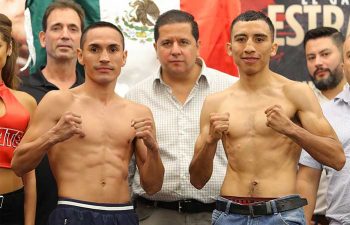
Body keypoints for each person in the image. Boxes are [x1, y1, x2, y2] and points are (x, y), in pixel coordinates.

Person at [189, 10, 345, 225]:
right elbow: (197, 180)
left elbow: (337, 158)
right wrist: (210, 141)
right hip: (229, 214)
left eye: (259, 39)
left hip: (282, 215)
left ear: (273, 48)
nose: (249, 47)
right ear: (229, 48)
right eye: (241, 39)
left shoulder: (296, 93)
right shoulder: (215, 103)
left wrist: (292, 129)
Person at [11, 21, 164, 225]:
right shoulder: (59, 101)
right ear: (81, 55)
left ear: (124, 57)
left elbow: (152, 186)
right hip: (73, 212)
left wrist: (154, 149)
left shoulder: (138, 113)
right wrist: (53, 136)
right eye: (94, 49)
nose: (104, 58)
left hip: (123, 214)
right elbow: (19, 165)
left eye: (113, 49)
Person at [125, 9, 238, 225]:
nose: (175, 50)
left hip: (217, 215)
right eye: (167, 43)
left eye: (183, 42)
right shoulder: (136, 96)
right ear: (155, 48)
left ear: (198, 45)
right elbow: (128, 166)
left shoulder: (230, 89)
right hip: (154, 214)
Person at [18, 1, 85, 225]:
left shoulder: (97, 93)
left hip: (87, 212)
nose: (65, 35)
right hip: (32, 213)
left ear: (82, 41)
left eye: (73, 28)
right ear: (43, 38)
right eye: (56, 28)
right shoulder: (20, 91)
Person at [297, 35, 350, 225]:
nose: (318, 62)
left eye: (325, 54)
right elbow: (307, 178)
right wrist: (301, 220)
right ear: (344, 65)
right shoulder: (324, 114)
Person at [0, 13, 36, 225]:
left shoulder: (27, 103)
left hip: (12, 207)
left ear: (9, 49)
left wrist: (29, 222)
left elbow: (29, 172)